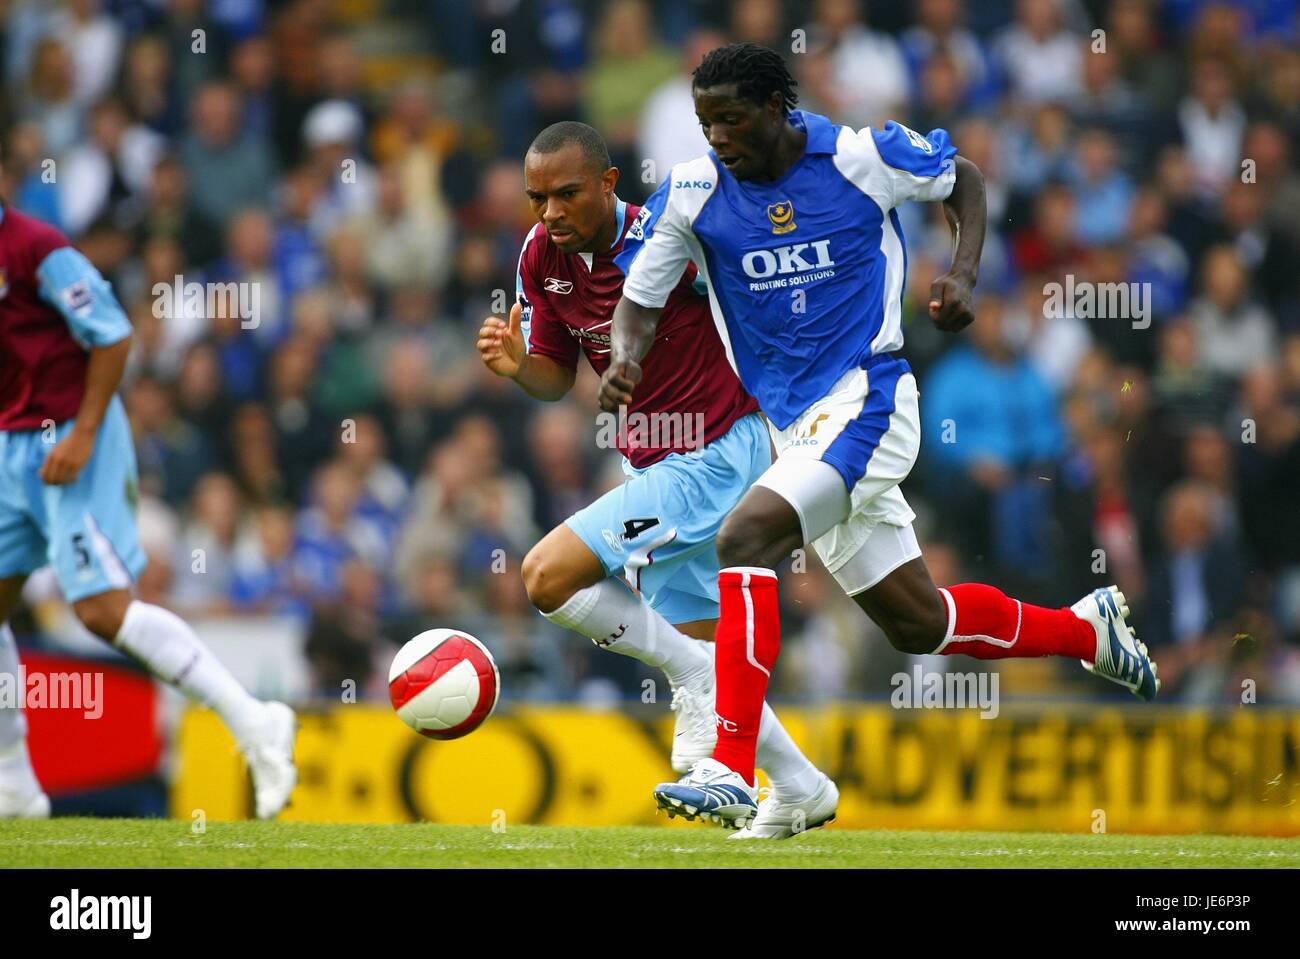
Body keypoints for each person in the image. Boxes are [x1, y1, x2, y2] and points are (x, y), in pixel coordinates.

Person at [600, 43, 1160, 828]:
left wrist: (963, 270)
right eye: (705, 123)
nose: (717, 137)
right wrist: (625, 358)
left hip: (870, 399)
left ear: (775, 108)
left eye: (730, 119)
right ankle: (1085, 630)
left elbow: (963, 178)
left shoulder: (859, 157)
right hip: (797, 431)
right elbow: (639, 300)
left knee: (747, 536)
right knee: (918, 622)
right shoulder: (694, 192)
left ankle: (729, 764)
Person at [476, 121, 835, 838]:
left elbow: (759, 303)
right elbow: (555, 376)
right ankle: (802, 786)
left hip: (718, 451)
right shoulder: (539, 254)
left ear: (609, 184)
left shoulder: (668, 239)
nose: (550, 212)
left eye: (567, 194)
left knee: (545, 576)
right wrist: (519, 366)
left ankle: (694, 684)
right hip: (650, 461)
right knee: (704, 655)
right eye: (538, 198)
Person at [0, 190, 296, 820]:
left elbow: (113, 335)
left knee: (101, 610)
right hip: (10, 443)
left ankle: (255, 722)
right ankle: (15, 785)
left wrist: (82, 434)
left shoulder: (36, 247)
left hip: (70, 436)